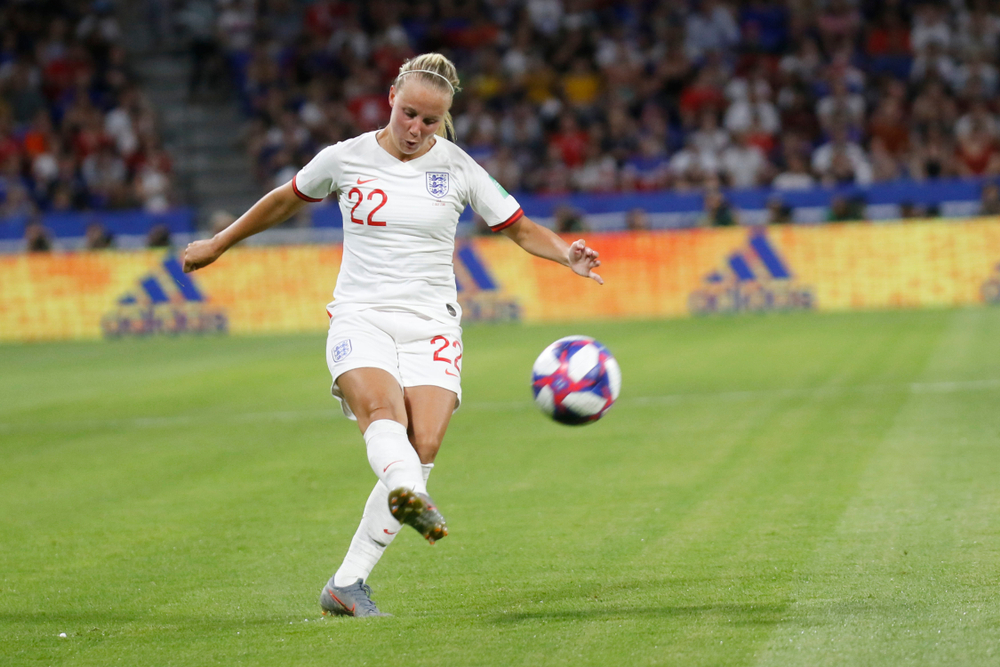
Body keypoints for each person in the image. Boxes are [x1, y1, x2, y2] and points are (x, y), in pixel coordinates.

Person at [181, 53, 603, 618]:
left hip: (432, 322)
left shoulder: (459, 168)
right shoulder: (344, 157)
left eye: (430, 121)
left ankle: (347, 582)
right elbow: (284, 199)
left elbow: (520, 228)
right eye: (409, 114)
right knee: (384, 416)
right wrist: (219, 242)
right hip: (361, 315)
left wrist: (566, 255)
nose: (415, 129)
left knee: (422, 446)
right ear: (391, 98)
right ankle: (410, 496)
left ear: (444, 119)